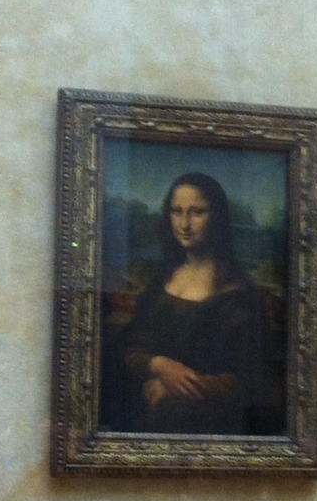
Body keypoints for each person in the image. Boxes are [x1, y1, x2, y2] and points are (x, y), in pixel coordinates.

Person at [104, 171, 286, 437]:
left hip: (208, 429)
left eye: (197, 212)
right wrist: (158, 365)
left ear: (217, 218)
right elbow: (130, 347)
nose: (184, 224)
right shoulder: (160, 283)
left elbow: (253, 382)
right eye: (176, 212)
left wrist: (178, 388)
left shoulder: (240, 296)